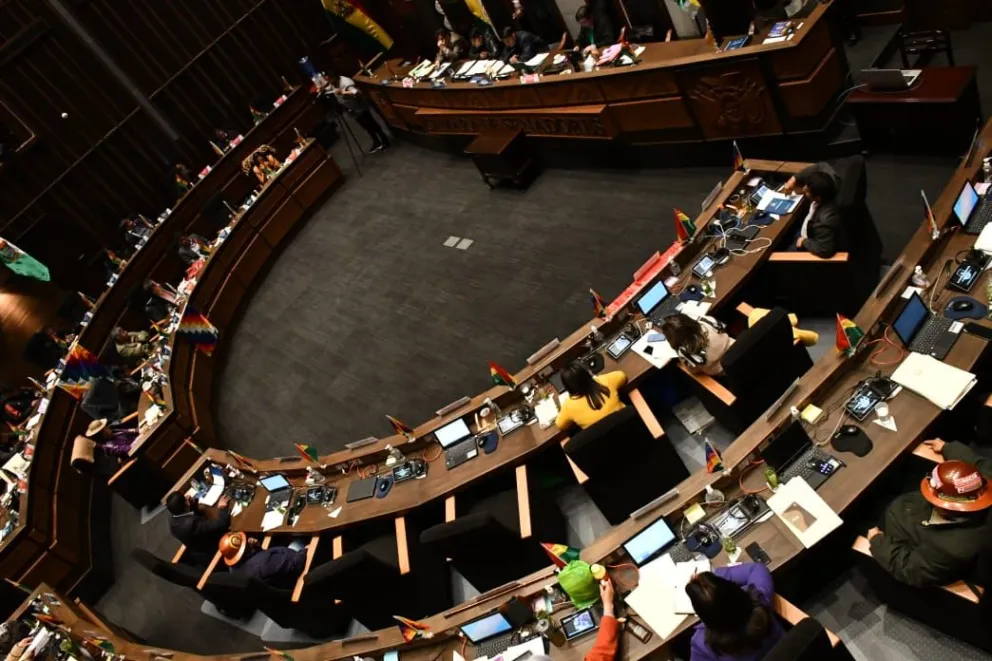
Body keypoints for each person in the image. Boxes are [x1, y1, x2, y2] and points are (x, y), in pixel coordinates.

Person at [867, 438, 992, 588]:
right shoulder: (982, 483)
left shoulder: (950, 549)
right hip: (911, 507)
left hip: (899, 535)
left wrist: (878, 542)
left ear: (947, 506)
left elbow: (910, 569)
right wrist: (948, 447)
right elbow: (976, 465)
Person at [685, 563, 784, 661]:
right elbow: (758, 568)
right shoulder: (760, 599)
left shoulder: (701, 644)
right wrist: (713, 579)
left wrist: (709, 587)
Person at [781, 162, 843, 258]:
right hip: (808, 228)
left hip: (810, 240)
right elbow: (821, 166)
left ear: (818, 197)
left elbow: (824, 249)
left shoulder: (825, 221)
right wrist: (794, 179)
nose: (804, 188)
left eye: (807, 190)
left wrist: (804, 242)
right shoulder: (831, 182)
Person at [219, 531, 307, 588]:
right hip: (294, 575)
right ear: (245, 549)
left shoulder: (233, 570)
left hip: (275, 576)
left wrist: (256, 547)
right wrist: (305, 551)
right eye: (245, 542)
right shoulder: (264, 563)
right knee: (299, 541)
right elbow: (296, 564)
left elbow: (255, 560)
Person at [328, 73, 391, 153]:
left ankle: (385, 141)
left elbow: (356, 92)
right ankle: (376, 141)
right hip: (352, 110)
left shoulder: (346, 82)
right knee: (366, 127)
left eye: (330, 79)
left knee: (372, 125)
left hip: (360, 108)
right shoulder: (334, 83)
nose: (329, 81)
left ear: (334, 77)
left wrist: (343, 92)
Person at [554, 361, 627, 430]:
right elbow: (622, 375)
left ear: (568, 387)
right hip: (630, 429)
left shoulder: (569, 405)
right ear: (587, 373)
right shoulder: (605, 380)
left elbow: (560, 425)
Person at [660, 314, 734, 376]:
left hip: (724, 372)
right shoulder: (706, 321)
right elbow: (723, 330)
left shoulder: (684, 352)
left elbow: (693, 371)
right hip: (739, 350)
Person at [166, 491, 232, 562]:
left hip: (197, 546)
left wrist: (192, 506)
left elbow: (187, 517)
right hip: (213, 548)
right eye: (185, 498)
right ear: (186, 503)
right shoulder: (192, 525)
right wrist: (222, 508)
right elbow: (221, 524)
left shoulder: (172, 518)